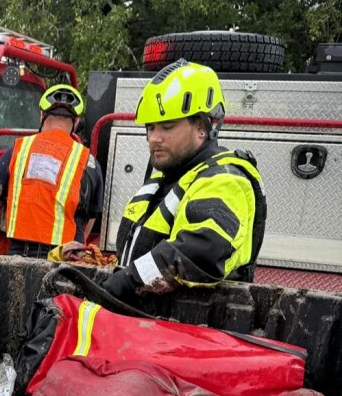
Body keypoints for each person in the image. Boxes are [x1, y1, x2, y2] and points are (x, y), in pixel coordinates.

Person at [102, 59, 267, 301]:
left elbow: (203, 247)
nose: (154, 138)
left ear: (202, 127)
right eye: (150, 128)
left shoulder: (225, 179)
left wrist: (128, 281)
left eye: (167, 127)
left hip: (193, 331)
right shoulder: (167, 178)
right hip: (145, 324)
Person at [0, 84, 104, 258]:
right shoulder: (89, 163)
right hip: (65, 260)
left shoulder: (19, 149)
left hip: (19, 255)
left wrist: (9, 240)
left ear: (42, 115)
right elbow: (89, 222)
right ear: (76, 121)